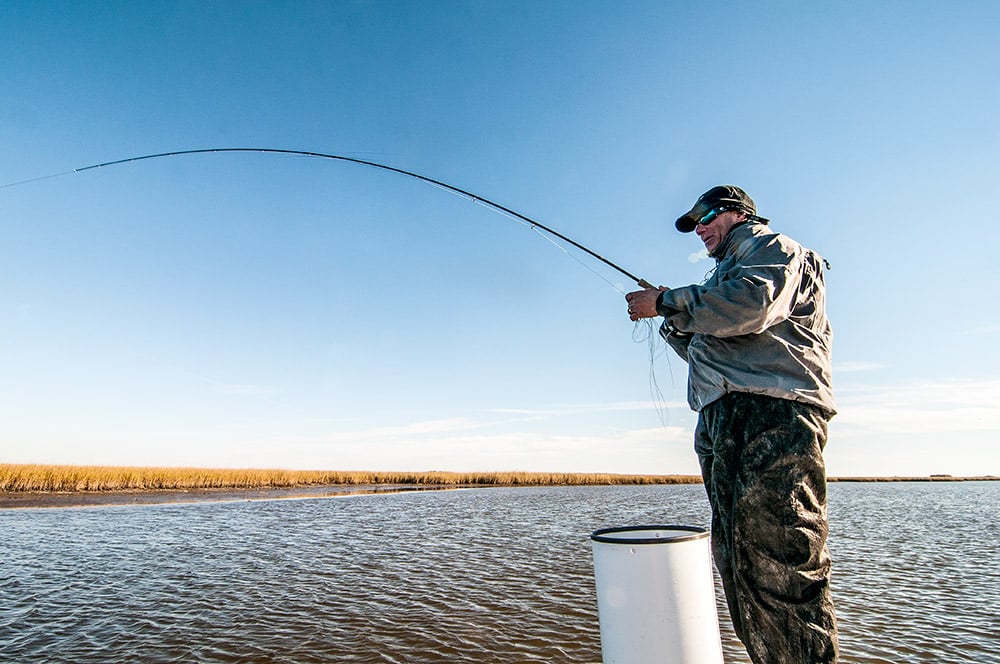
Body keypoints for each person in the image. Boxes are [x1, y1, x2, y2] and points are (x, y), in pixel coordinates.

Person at [625, 185, 838, 663]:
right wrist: (676, 320)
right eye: (693, 223)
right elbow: (710, 347)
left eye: (705, 216)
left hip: (773, 414)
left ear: (739, 214)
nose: (699, 228)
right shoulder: (720, 278)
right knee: (738, 563)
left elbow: (752, 306)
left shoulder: (771, 248)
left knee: (782, 562)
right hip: (722, 418)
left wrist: (666, 301)